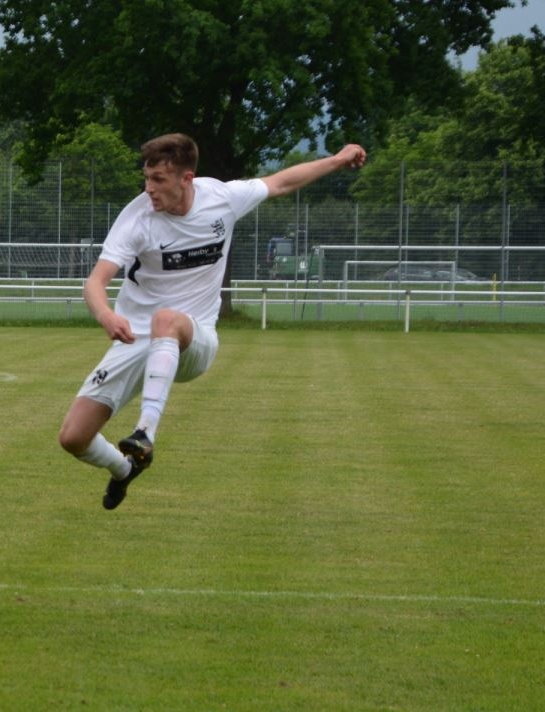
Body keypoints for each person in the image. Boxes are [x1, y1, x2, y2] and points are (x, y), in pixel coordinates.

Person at [58, 134, 365, 510]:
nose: (149, 188)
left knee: (166, 319)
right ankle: (125, 469)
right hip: (135, 338)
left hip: (195, 338)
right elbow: (95, 282)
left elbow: (281, 182)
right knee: (74, 437)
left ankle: (144, 432)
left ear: (187, 178)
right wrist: (106, 314)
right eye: (147, 178)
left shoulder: (222, 198)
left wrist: (337, 159)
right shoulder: (137, 219)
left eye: (158, 179)